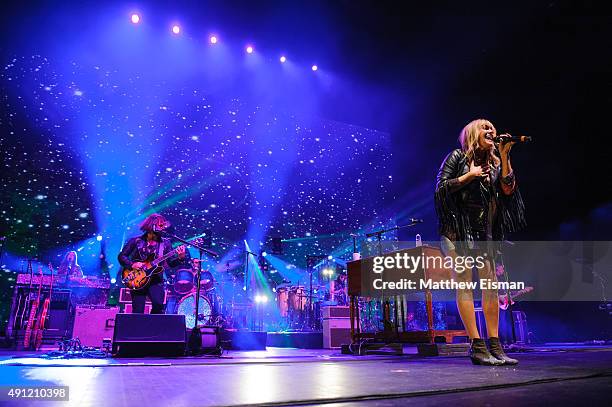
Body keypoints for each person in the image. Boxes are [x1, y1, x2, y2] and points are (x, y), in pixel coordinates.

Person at [434, 119, 526, 365]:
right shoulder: (457, 157)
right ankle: (476, 346)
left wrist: (505, 157)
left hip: (485, 235)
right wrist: (469, 176)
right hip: (456, 233)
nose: (491, 130)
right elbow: (440, 189)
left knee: (491, 287)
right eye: (485, 127)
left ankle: (495, 345)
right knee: (464, 284)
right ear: (472, 133)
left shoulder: (496, 164)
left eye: (493, 128)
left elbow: (508, 190)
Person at [118, 213, 186, 314]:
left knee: (158, 306)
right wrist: (132, 264)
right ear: (151, 225)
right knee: (138, 310)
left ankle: (152, 328)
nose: (162, 227)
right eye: (160, 224)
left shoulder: (165, 243)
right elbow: (121, 256)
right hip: (137, 279)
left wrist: (180, 258)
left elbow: (171, 263)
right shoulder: (136, 241)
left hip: (155, 280)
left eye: (163, 225)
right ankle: (138, 329)